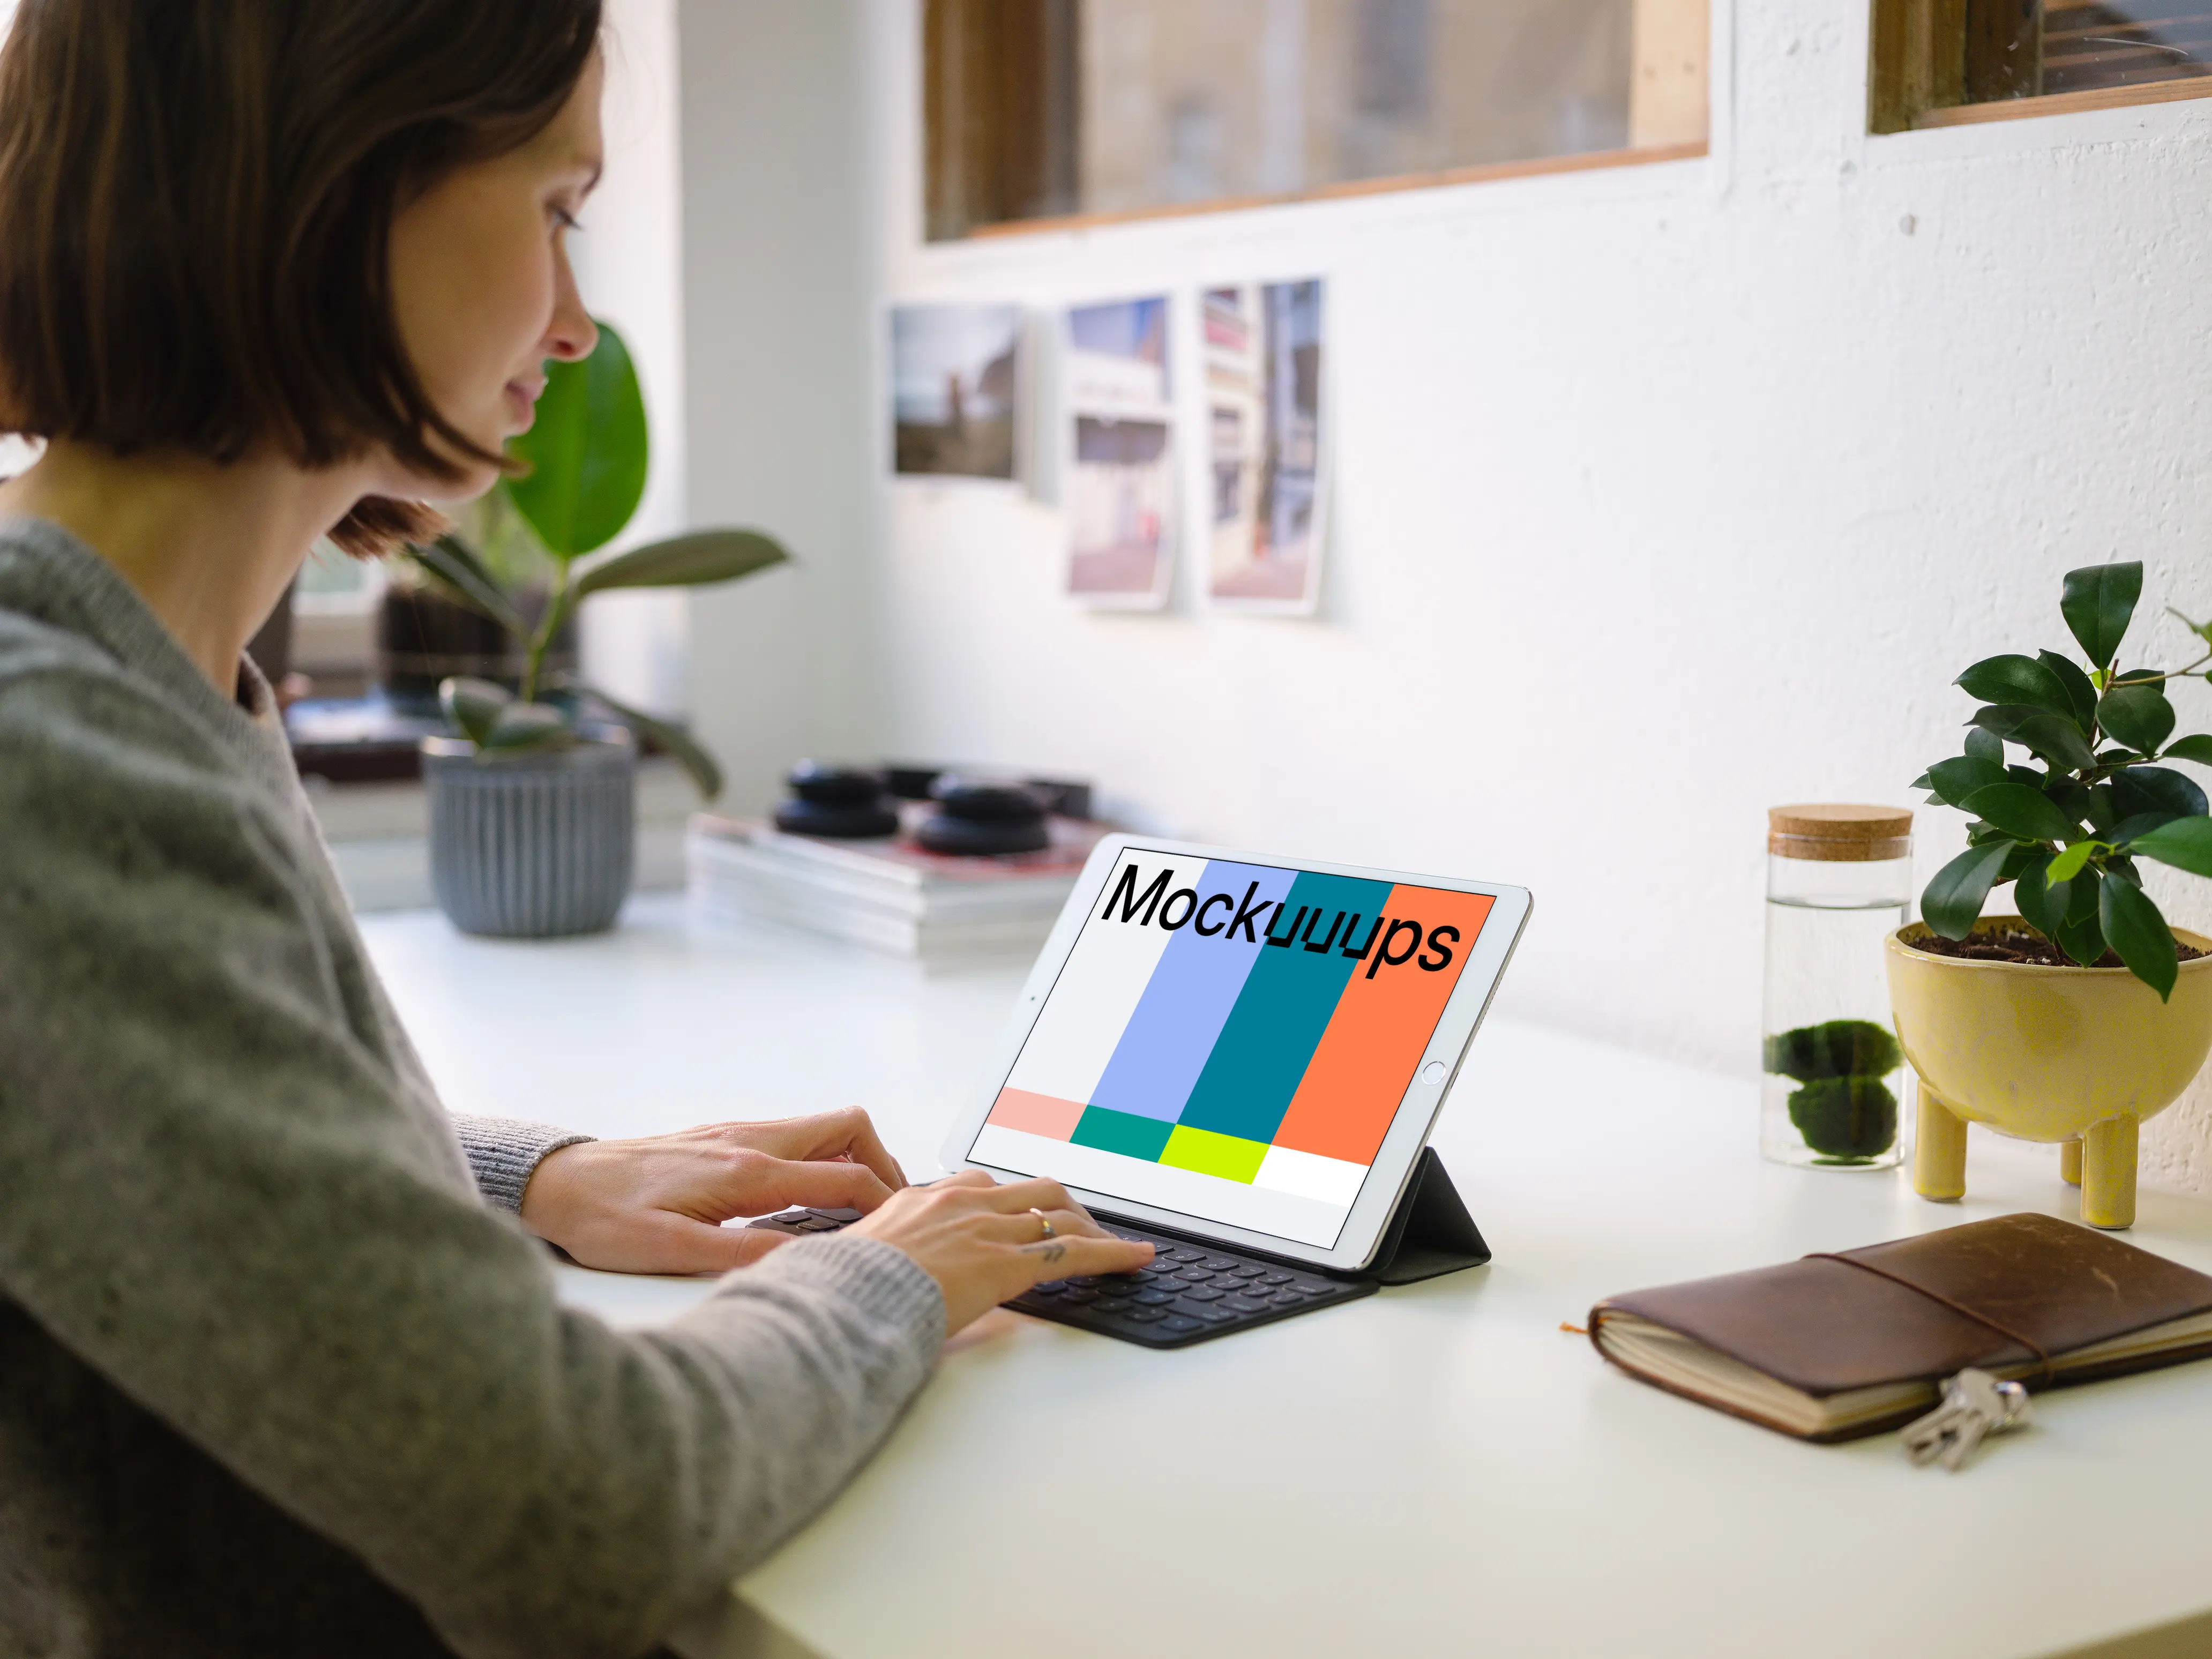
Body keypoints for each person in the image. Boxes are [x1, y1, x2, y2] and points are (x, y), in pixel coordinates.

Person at [0, 4, 1151, 1656]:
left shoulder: (148, 667)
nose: (576, 321)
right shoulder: (52, 747)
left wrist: (526, 1175)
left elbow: (115, 1132)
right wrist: (892, 1271)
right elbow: (576, 1512)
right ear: (339, 184)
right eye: (558, 212)